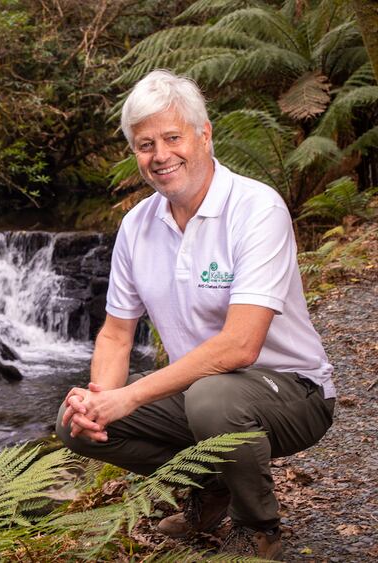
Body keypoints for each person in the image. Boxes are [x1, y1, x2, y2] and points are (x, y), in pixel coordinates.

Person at [55, 69, 336, 561]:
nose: (160, 155)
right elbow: (117, 335)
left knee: (211, 399)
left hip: (294, 392)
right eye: (145, 144)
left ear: (204, 135)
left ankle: (258, 529)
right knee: (71, 421)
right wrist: (100, 401)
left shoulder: (256, 209)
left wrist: (130, 396)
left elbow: (240, 347)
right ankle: (210, 488)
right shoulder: (137, 225)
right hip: (201, 393)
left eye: (172, 137)